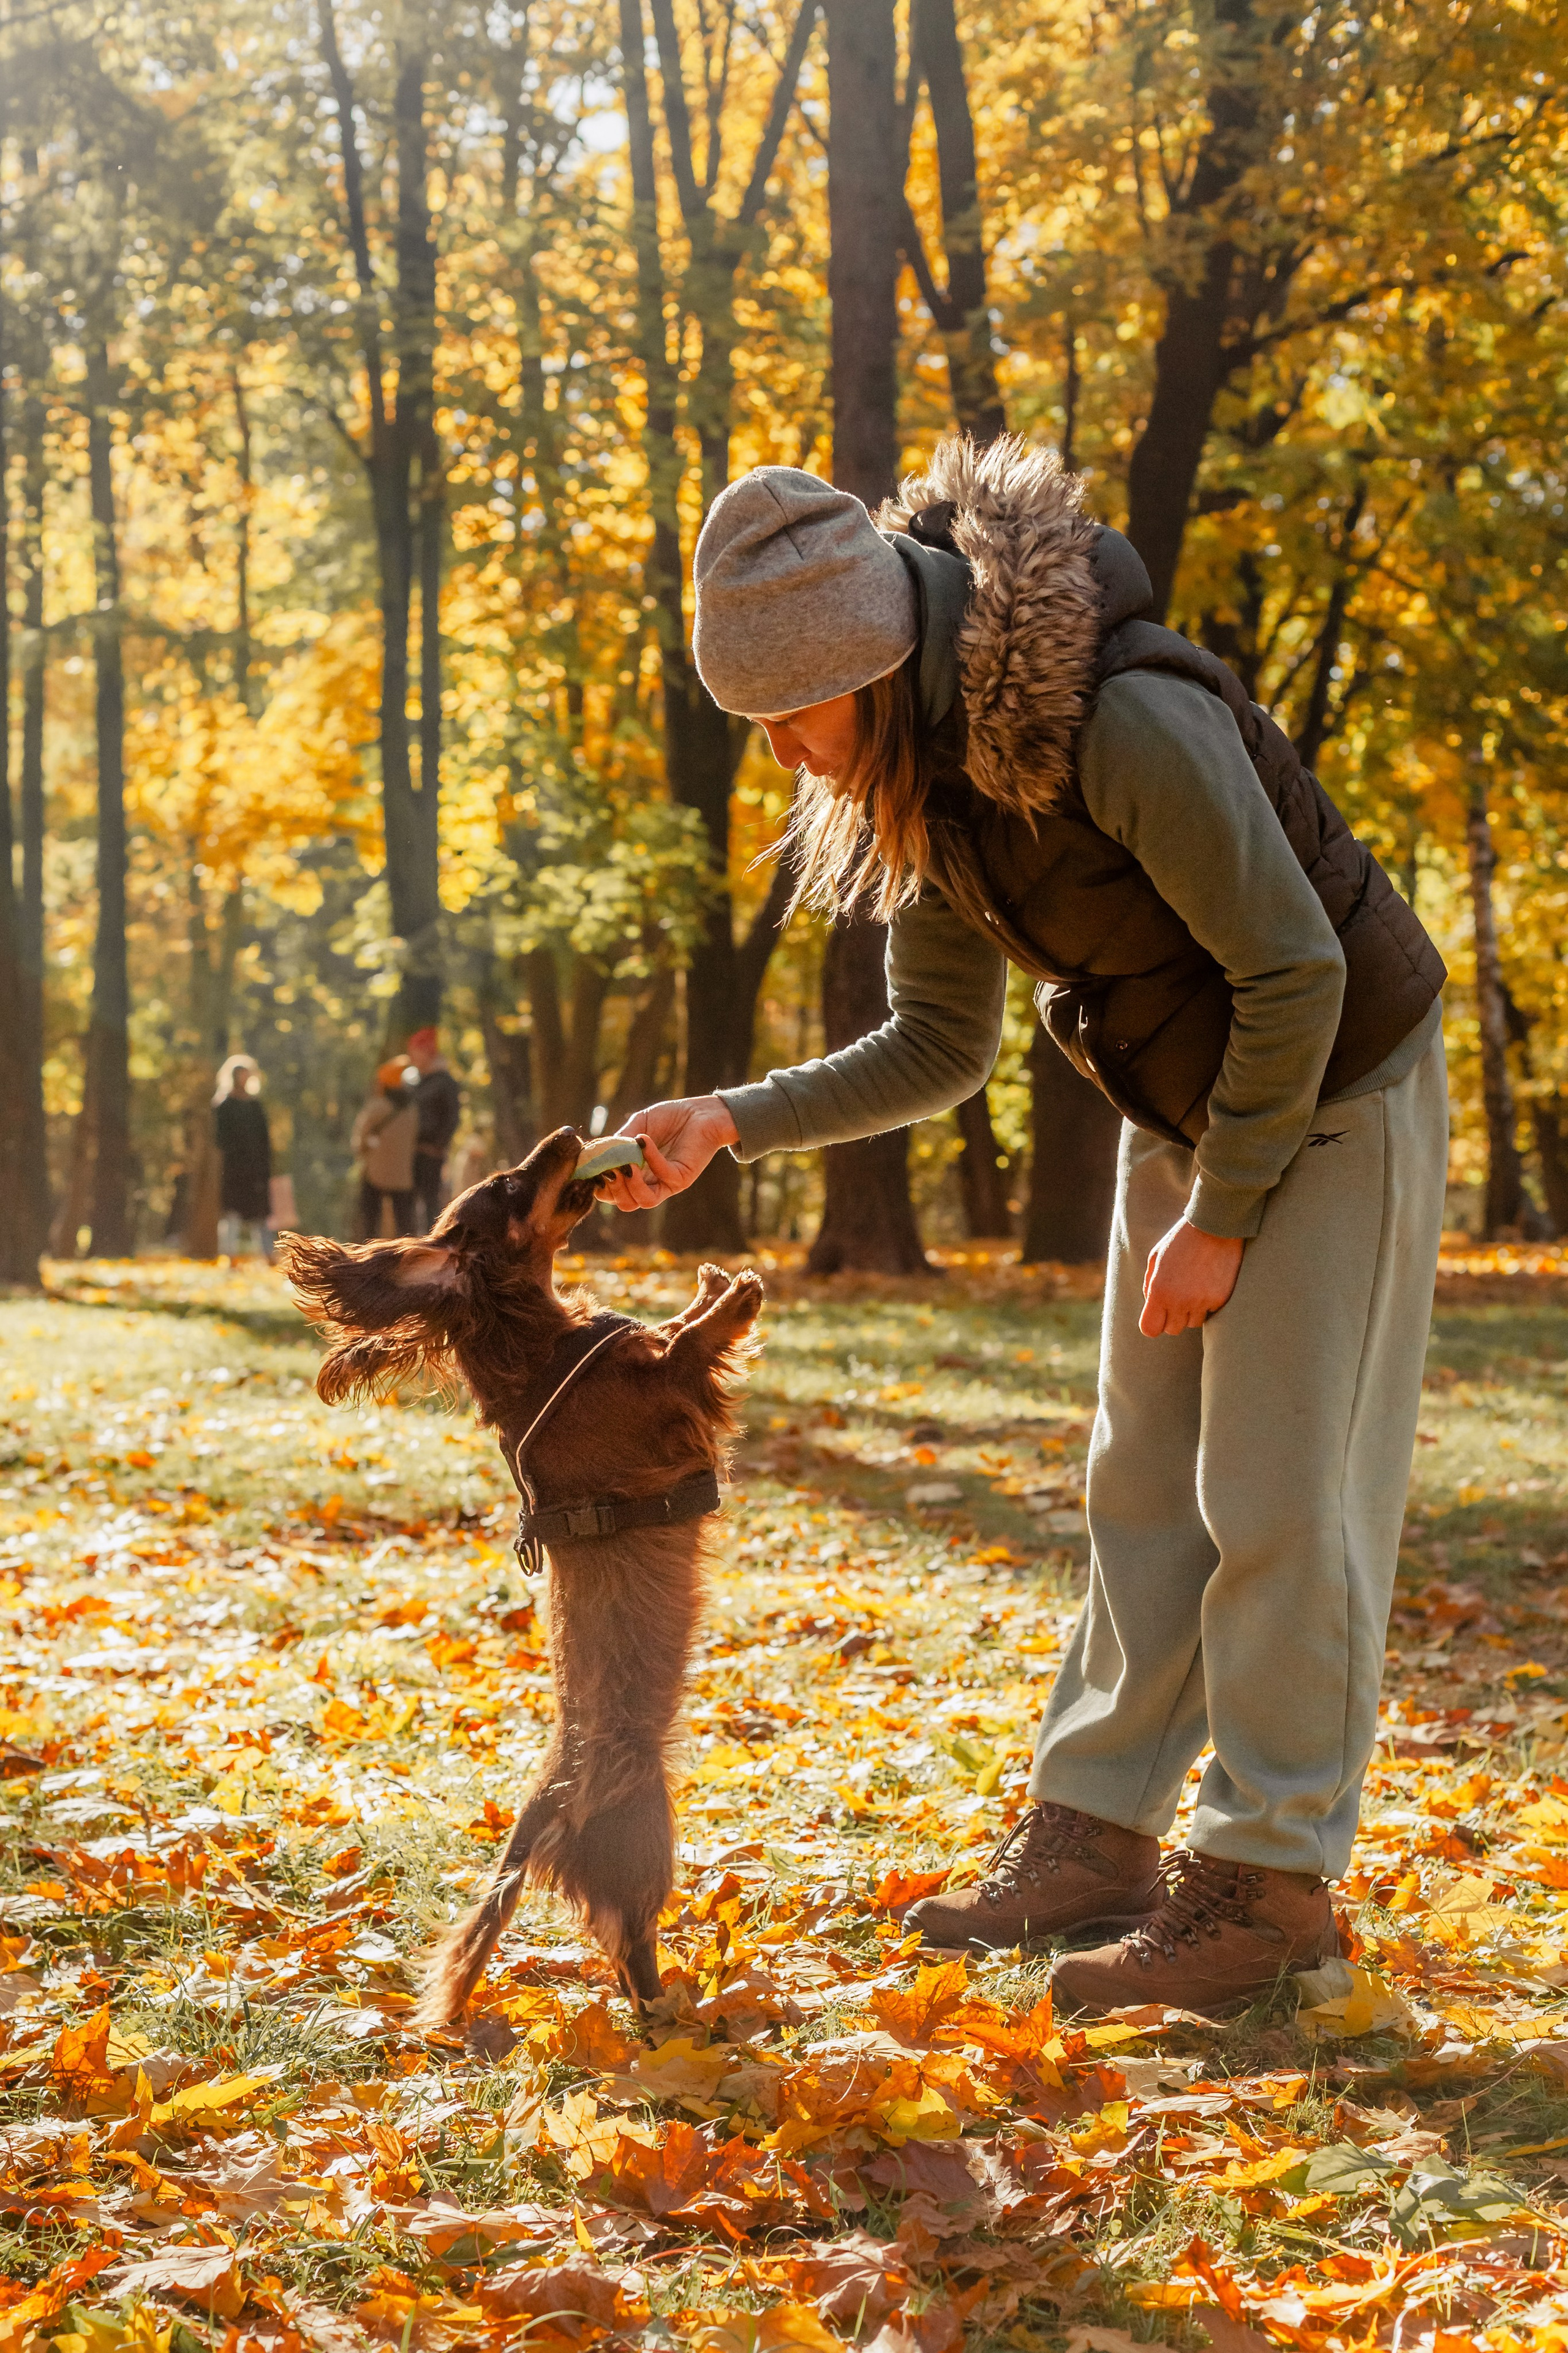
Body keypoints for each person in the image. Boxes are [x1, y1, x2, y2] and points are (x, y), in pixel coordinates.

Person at [601, 437, 1449, 2014]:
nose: (780, 752)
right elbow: (938, 1045)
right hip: (1184, 1097)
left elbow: (1294, 971)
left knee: (1278, 1493)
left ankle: (1268, 1884)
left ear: (868, 657)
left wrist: (1222, 1210)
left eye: (790, 712)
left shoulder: (1119, 720)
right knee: (1140, 1481)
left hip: (1333, 1083)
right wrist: (729, 1116)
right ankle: (1097, 1830)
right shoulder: (925, 779)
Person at [352, 1057, 420, 1238]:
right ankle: (410, 1250)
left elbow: (359, 1140)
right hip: (403, 1175)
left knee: (370, 1220)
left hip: (375, 1174)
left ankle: (367, 1249)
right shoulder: (412, 1112)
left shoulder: (376, 1108)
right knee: (405, 1223)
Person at [213, 1055, 273, 1259]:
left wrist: (265, 1167)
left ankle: (268, 1255)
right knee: (232, 1214)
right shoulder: (224, 1105)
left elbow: (264, 1140)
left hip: (257, 1170)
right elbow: (220, 1140)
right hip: (233, 1170)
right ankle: (229, 1256)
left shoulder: (255, 1106)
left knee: (260, 1214)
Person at [405, 1026, 462, 1233]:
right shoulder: (415, 1081)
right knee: (408, 1202)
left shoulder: (445, 1082)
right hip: (410, 1152)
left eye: (415, 1053)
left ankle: (431, 1241)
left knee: (430, 1201)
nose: (412, 1058)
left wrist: (437, 1145)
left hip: (431, 1153)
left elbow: (453, 1118)